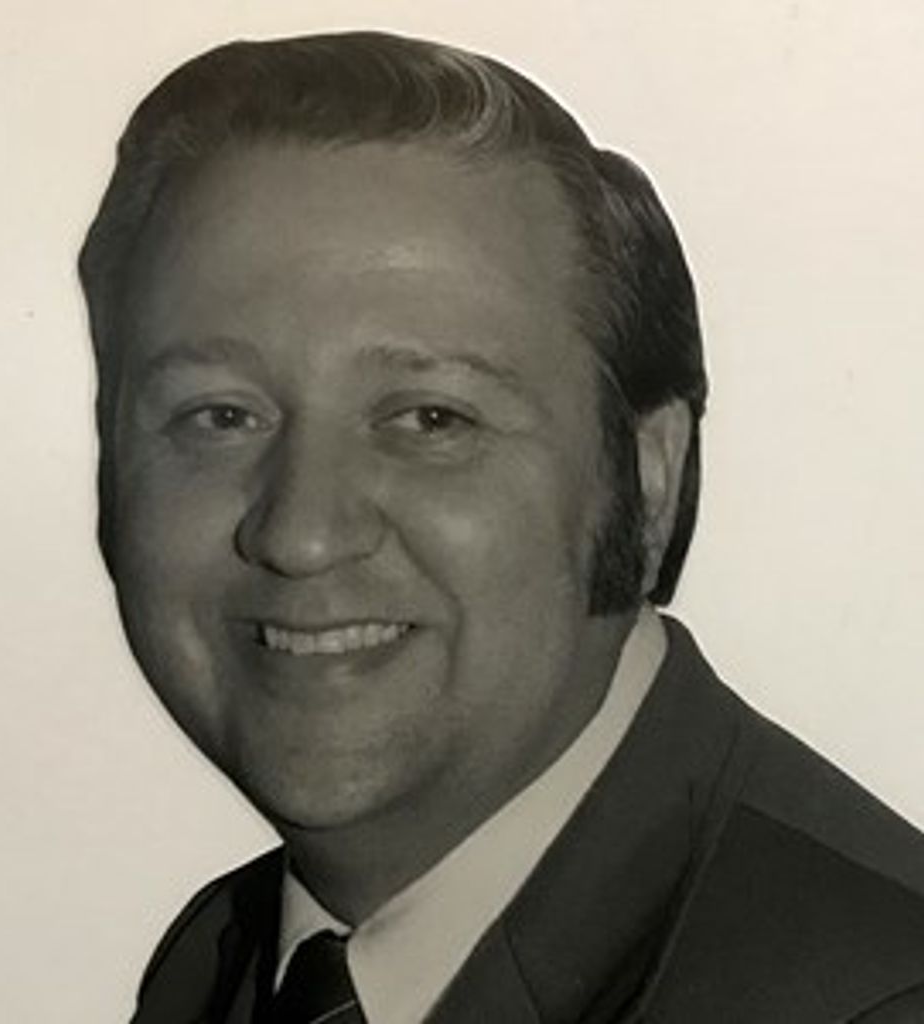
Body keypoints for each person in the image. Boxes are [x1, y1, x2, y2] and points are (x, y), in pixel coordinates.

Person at [79, 31, 924, 1024]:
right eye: (220, 416)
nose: (301, 534)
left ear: (646, 480)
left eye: (431, 419)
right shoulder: (220, 962)